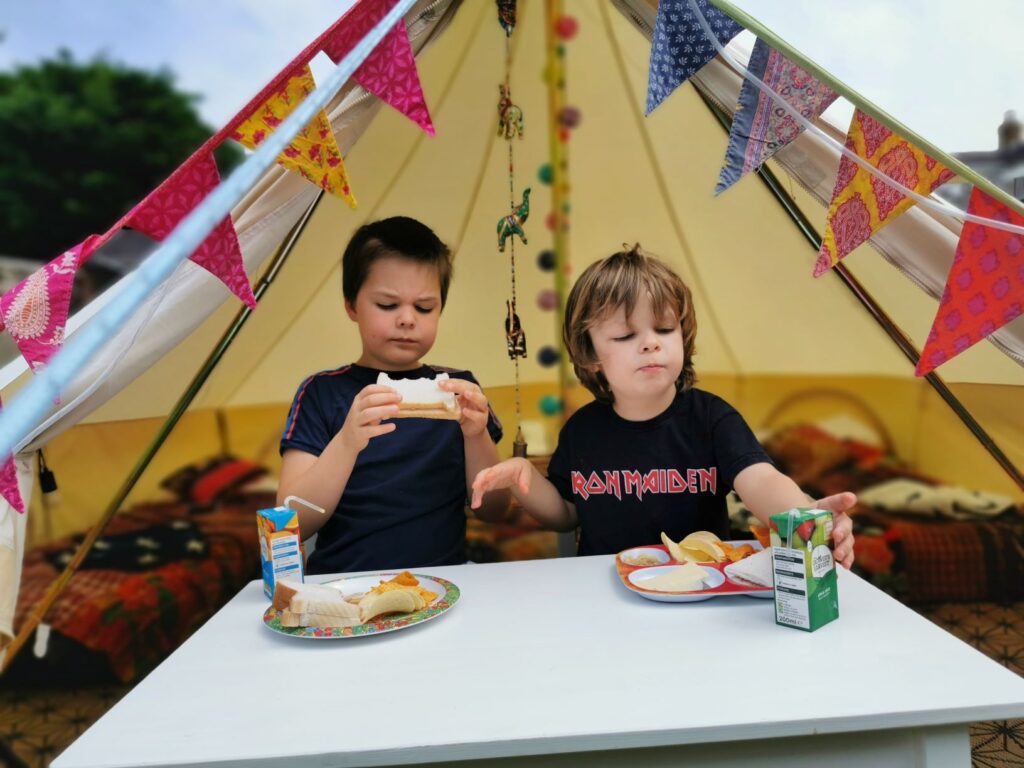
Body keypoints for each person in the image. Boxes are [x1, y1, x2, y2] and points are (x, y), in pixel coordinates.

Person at [471, 244, 856, 567]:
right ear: (590, 356)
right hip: (605, 599)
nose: (651, 343)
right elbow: (564, 514)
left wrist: (807, 517)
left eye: (665, 329)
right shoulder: (581, 431)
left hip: (701, 592)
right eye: (625, 334)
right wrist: (524, 475)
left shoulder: (712, 419)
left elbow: (762, 482)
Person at [278, 216, 511, 574]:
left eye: (424, 307)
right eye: (388, 305)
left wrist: (476, 435)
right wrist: (346, 443)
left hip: (443, 586)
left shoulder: (461, 390)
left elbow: (495, 511)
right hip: (343, 588)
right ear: (352, 306)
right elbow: (292, 523)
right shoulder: (321, 393)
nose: (407, 319)